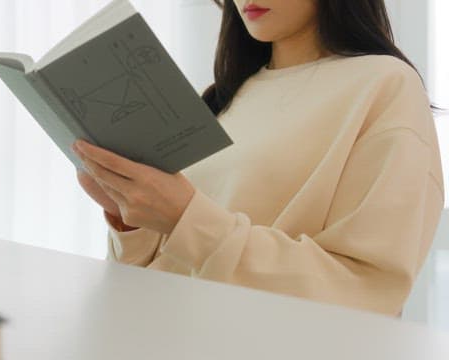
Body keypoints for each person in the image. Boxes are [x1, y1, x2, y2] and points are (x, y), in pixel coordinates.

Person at [70, 0, 444, 317]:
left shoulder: (383, 84)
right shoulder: (226, 97)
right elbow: (165, 270)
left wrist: (186, 217)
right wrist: (131, 221)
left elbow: (368, 293)